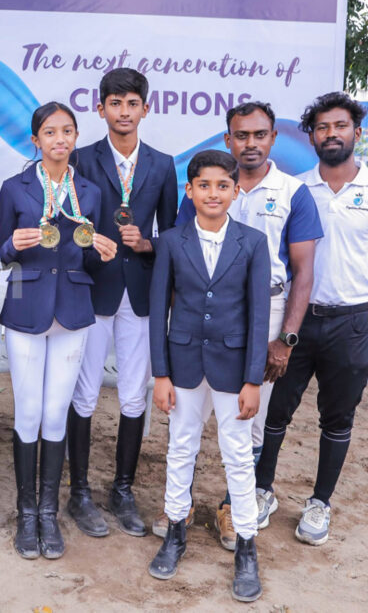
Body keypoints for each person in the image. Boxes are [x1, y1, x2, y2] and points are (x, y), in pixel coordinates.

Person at [174, 101, 321, 548]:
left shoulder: (294, 193)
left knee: (247, 419)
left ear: (274, 138)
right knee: (190, 417)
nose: (251, 143)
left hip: (268, 314)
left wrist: (286, 339)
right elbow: (182, 255)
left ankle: (230, 509)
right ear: (228, 140)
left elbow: (303, 272)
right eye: (242, 135)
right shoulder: (205, 189)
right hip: (205, 314)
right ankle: (179, 509)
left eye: (260, 134)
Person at [147, 150, 269, 602]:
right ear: (190, 190)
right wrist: (160, 373)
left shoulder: (253, 243)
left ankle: (247, 546)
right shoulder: (174, 242)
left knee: (237, 453)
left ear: (235, 191)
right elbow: (159, 308)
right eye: (204, 185)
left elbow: (259, 316)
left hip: (233, 368)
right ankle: (175, 531)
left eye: (223, 185)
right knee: (181, 445)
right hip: (182, 364)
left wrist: (253, 379)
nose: (213, 193)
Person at [0, 102, 117, 560]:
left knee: (55, 412)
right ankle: (26, 513)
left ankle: (49, 513)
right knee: (27, 412)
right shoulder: (15, 188)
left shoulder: (88, 190)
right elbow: (0, 250)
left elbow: (87, 250)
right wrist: (15, 243)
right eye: (50, 132)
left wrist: (100, 250)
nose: (60, 139)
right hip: (27, 308)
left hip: (72, 309)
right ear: (36, 140)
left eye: (68, 131)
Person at [68, 68, 178, 539]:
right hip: (93, 287)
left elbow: (173, 235)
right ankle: (79, 492)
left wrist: (147, 242)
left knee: (134, 393)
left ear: (145, 109)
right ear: (101, 109)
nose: (124, 112)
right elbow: (66, 222)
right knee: (85, 390)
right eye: (115, 104)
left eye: (132, 103)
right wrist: (92, 244)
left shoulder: (163, 162)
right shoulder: (80, 158)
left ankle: (124, 488)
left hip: (141, 291)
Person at [255, 92, 368, 546]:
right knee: (274, 412)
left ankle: (319, 503)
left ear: (356, 133)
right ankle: (262, 491)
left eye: (340, 126)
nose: (331, 134)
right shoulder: (297, 190)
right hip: (296, 321)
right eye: (322, 128)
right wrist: (285, 330)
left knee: (337, 419)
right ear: (311, 136)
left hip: (354, 322)